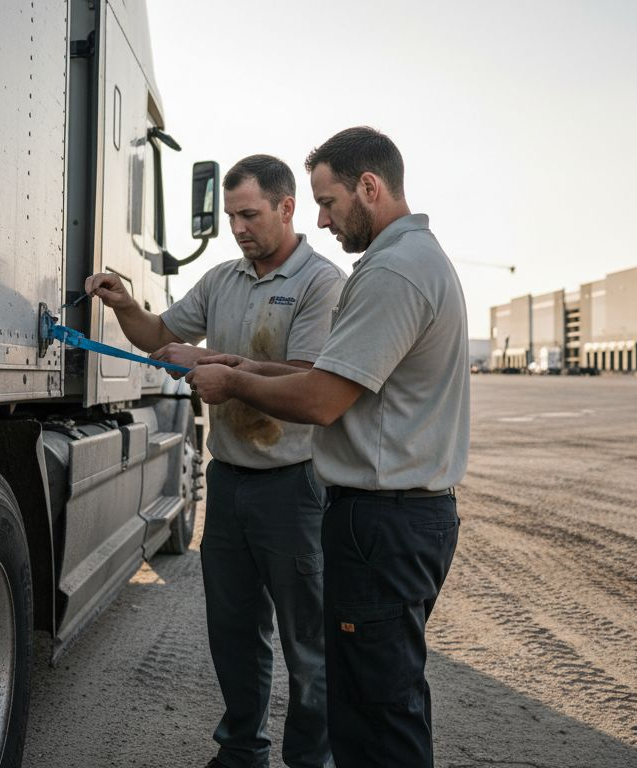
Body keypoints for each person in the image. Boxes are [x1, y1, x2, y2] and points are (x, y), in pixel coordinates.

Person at [186, 127, 468, 767]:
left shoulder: (393, 271)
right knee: (379, 701)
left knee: (375, 719)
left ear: (369, 187)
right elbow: (334, 375)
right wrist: (244, 364)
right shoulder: (411, 259)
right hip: (396, 519)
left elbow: (320, 399)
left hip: (384, 522)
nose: (321, 220)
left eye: (328, 202)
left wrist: (232, 381)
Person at [84, 154, 344, 768]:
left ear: (287, 207)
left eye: (249, 214)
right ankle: (242, 752)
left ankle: (311, 760)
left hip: (295, 487)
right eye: (230, 217)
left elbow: (308, 379)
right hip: (228, 482)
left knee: (308, 643)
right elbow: (160, 336)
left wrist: (212, 362)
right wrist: (125, 305)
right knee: (233, 630)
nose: (238, 228)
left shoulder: (321, 283)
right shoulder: (223, 278)